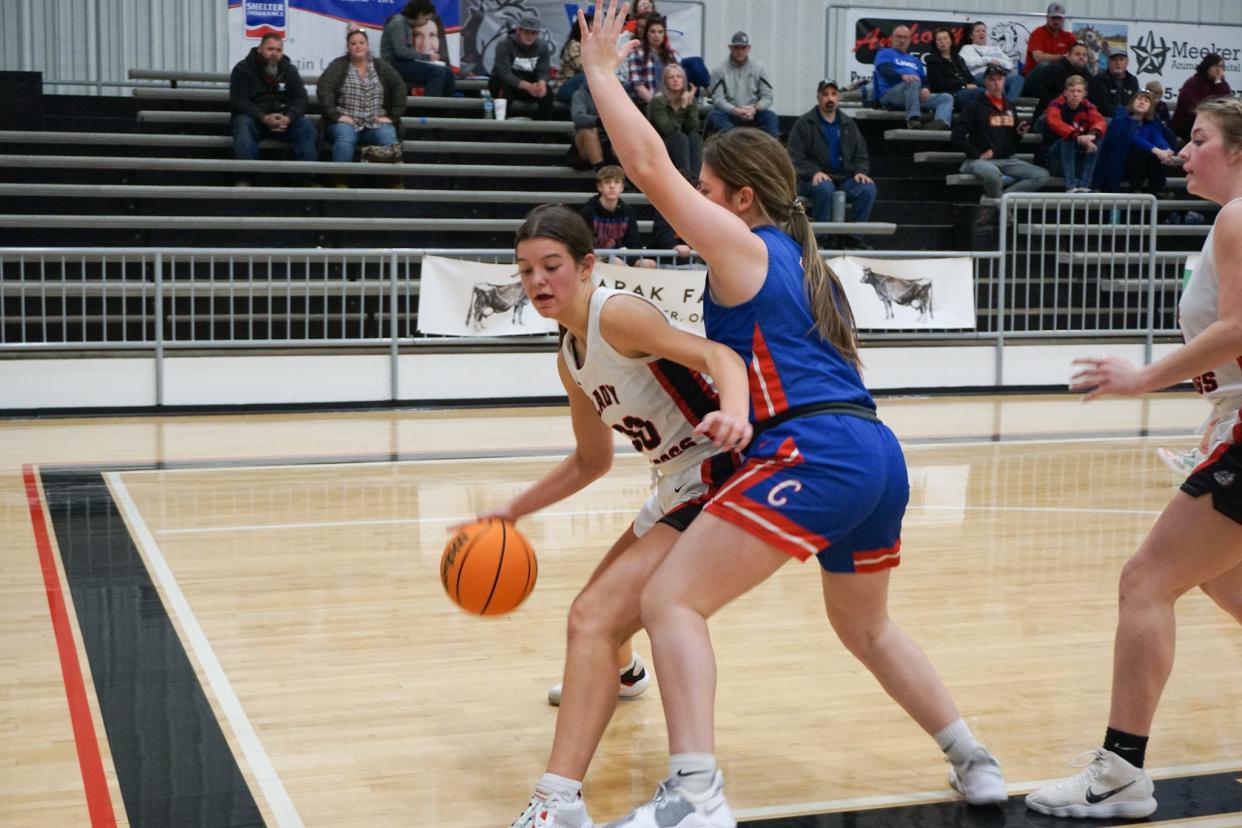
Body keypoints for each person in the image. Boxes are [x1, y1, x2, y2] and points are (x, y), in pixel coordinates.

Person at [577, 3, 1009, 825]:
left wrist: (602, 71)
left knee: (672, 600)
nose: (693, 205)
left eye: (705, 193)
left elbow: (645, 166)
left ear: (739, 198)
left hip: (811, 450)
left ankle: (695, 795)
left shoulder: (747, 247)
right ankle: (972, 756)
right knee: (868, 631)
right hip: (875, 454)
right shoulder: (804, 265)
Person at [1025, 96, 1242, 820]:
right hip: (1230, 422)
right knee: (1219, 585)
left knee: (1145, 581)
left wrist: (1142, 377)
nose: (1185, 151)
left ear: (1239, 152)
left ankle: (1119, 773)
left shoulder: (1238, 216)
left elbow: (1239, 330)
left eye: (1201, 139)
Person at [504, 203, 751, 828]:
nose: (538, 282)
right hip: (673, 482)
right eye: (526, 269)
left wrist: (737, 414)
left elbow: (720, 356)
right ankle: (625, 675)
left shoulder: (618, 314)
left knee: (591, 617)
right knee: (594, 614)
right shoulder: (569, 354)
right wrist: (510, 511)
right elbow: (591, 461)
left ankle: (557, 803)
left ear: (587, 266)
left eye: (552, 266)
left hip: (715, 473)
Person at [786, 79, 877, 246]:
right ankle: (821, 239)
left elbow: (861, 154)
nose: (830, 98)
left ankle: (853, 240)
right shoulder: (804, 124)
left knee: (867, 189)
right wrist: (813, 172)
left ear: (839, 98)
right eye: (825, 94)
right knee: (825, 188)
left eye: (833, 94)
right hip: (811, 179)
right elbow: (794, 158)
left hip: (844, 177)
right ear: (818, 98)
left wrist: (861, 172)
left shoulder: (849, 123)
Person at [953, 65, 1051, 199]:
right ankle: (1001, 207)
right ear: (985, 82)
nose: (997, 83)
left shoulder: (1009, 106)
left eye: (1000, 79)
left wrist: (1018, 133)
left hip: (1006, 159)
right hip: (980, 161)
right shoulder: (975, 106)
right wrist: (976, 153)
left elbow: (1012, 139)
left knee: (1041, 175)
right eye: (992, 80)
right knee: (993, 175)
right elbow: (957, 135)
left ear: (1004, 81)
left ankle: (998, 201)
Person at [317, 27, 406, 164]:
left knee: (389, 139)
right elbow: (324, 88)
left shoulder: (381, 66)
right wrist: (336, 116)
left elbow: (398, 86)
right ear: (348, 47)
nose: (358, 46)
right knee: (344, 140)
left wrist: (392, 116)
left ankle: (394, 182)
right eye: (353, 43)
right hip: (346, 121)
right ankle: (340, 181)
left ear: (368, 45)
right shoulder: (338, 65)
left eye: (361, 42)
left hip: (375, 120)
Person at [228, 33, 317, 164]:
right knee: (243, 124)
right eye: (270, 49)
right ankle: (245, 178)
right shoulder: (242, 69)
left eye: (278, 50)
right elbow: (239, 101)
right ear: (259, 49)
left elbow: (301, 99)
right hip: (255, 120)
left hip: (284, 121)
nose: (274, 53)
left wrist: (289, 117)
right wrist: (263, 117)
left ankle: (306, 179)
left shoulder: (289, 70)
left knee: (306, 126)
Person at [1091, 90, 1178, 196]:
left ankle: (1156, 189)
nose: (1142, 102)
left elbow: (1157, 137)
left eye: (1146, 101)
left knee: (1155, 157)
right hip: (1119, 162)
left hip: (1140, 165)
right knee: (1141, 152)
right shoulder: (1121, 119)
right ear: (1132, 102)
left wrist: (1166, 150)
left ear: (1150, 107)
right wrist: (1157, 151)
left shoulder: (1150, 122)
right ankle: (1135, 189)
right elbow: (1133, 137)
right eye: (1139, 99)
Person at [873, 25, 953, 131]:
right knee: (913, 81)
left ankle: (939, 124)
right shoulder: (885, 52)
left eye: (905, 37)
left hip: (913, 95)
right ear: (892, 39)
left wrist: (926, 89)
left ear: (910, 40)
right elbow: (884, 69)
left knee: (946, 98)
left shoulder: (915, 60)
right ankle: (913, 119)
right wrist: (902, 76)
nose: (902, 40)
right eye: (899, 37)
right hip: (890, 94)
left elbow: (924, 79)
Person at [706, 31, 778, 137]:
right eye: (736, 48)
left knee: (770, 117)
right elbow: (718, 99)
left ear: (748, 48)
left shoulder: (759, 68)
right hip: (730, 112)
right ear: (730, 48)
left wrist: (755, 108)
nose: (739, 51)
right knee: (714, 116)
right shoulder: (719, 70)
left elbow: (768, 97)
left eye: (743, 48)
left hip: (753, 113)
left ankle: (771, 150)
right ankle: (735, 140)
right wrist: (735, 110)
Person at [580, 165, 654, 267]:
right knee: (615, 261)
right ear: (599, 187)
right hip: (596, 258)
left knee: (649, 264)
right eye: (607, 182)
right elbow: (584, 244)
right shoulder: (588, 211)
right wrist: (610, 257)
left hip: (622, 257)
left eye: (616, 182)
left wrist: (624, 257)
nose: (612, 186)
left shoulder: (628, 211)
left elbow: (635, 244)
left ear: (622, 187)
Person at [380, 0, 456, 97]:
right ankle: (430, 110)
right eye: (426, 19)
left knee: (447, 71)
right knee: (437, 72)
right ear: (420, 15)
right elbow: (401, 52)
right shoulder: (398, 23)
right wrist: (427, 57)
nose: (426, 22)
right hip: (393, 65)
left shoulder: (407, 24)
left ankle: (445, 111)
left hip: (404, 62)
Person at [490, 14, 555, 120]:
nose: (530, 36)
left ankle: (544, 132)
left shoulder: (542, 46)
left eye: (533, 33)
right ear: (518, 31)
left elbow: (544, 69)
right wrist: (528, 86)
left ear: (538, 34)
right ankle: (497, 132)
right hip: (505, 83)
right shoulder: (504, 44)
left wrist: (542, 83)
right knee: (503, 92)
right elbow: (504, 73)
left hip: (528, 84)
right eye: (526, 32)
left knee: (547, 93)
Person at [1047, 75, 1106, 192]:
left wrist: (1092, 135)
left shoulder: (1088, 106)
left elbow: (1100, 121)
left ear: (1085, 93)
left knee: (1098, 138)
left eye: (1079, 91)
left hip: (1077, 158)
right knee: (1067, 138)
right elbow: (1054, 122)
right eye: (1072, 91)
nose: (1075, 94)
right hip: (1055, 157)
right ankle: (1071, 186)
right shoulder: (1056, 104)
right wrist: (1078, 137)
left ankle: (1085, 185)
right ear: (1065, 92)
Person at [648, 63, 702, 179]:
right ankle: (685, 180)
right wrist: (682, 108)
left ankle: (696, 182)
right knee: (679, 137)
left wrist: (690, 105)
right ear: (665, 82)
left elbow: (691, 128)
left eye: (679, 76)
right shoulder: (657, 101)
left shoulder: (689, 99)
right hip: (659, 144)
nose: (675, 80)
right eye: (671, 77)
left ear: (684, 80)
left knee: (694, 137)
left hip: (681, 143)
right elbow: (668, 130)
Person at [1024, 41, 1091, 121]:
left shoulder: (1089, 77)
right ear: (1068, 56)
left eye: (1084, 55)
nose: (1081, 57)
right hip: (1050, 113)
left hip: (1078, 117)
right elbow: (1035, 87)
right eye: (1077, 54)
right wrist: (1054, 105)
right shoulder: (1053, 70)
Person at [1172, 53, 1233, 142]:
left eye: (1221, 67)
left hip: (1213, 123)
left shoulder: (1221, 84)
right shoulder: (1193, 83)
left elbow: (1227, 104)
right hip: (1190, 123)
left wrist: (1219, 84)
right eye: (1215, 66)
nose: (1219, 70)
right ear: (1207, 66)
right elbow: (1193, 108)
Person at [959, 21, 1023, 101]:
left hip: (999, 72)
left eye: (983, 31)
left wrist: (999, 62)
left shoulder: (995, 48)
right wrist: (988, 60)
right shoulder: (967, 48)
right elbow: (967, 63)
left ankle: (1008, 104)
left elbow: (1010, 64)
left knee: (1018, 78)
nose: (981, 33)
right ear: (971, 36)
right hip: (979, 75)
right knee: (996, 78)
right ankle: (1000, 106)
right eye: (978, 31)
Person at [625, 13, 679, 107]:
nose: (656, 35)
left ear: (664, 35)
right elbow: (638, 86)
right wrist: (657, 104)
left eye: (660, 32)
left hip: (669, 103)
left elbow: (677, 82)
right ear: (647, 34)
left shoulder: (672, 55)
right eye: (653, 32)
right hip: (645, 104)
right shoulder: (637, 54)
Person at [925, 27, 981, 112]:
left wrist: (974, 85)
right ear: (935, 43)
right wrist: (964, 86)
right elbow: (939, 84)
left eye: (945, 38)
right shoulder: (932, 60)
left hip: (966, 90)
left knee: (995, 81)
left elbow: (969, 77)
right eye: (939, 39)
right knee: (983, 93)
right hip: (953, 93)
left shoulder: (958, 59)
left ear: (951, 41)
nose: (942, 42)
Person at [569, 80, 617, 170]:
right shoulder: (580, 94)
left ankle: (630, 176)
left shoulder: (617, 94)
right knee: (589, 130)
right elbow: (578, 118)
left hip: (609, 140)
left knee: (623, 136)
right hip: (585, 146)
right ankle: (601, 171)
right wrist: (600, 121)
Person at [1024, 2, 1076, 75]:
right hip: (1034, 75)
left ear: (1063, 19)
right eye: (1053, 18)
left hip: (1057, 75)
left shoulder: (1069, 36)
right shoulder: (1037, 33)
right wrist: (1062, 57)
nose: (1056, 21)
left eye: (1059, 18)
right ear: (1047, 17)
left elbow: (1075, 55)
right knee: (1045, 66)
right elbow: (1038, 58)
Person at [1087, 47, 1138, 120]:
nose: (1118, 63)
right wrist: (1122, 116)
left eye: (1121, 59)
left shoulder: (1133, 80)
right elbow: (1103, 106)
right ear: (1109, 62)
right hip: (1105, 118)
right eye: (1114, 60)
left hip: (1127, 119)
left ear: (1127, 62)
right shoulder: (1099, 79)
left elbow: (1134, 104)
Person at [556, 10, 590, 105]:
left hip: (579, 90)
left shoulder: (590, 46)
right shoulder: (574, 45)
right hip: (565, 88)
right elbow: (583, 67)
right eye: (592, 26)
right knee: (586, 77)